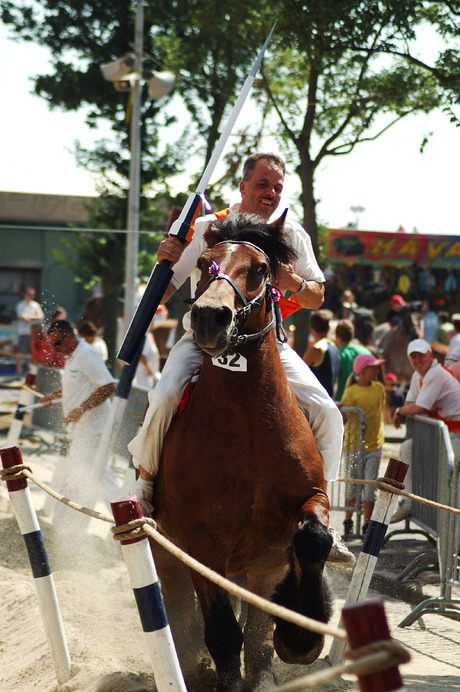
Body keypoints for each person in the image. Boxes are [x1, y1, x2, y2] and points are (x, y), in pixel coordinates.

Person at [128, 152, 351, 563]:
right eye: (263, 184)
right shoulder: (206, 228)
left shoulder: (291, 234)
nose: (270, 193)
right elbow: (169, 287)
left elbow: (317, 296)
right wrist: (162, 263)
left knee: (328, 413)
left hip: (267, 344)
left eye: (278, 188)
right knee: (162, 397)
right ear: (244, 185)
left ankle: (324, 518)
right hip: (203, 340)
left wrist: (293, 281)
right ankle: (144, 486)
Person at [40, 320, 118, 530]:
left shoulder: (86, 354)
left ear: (69, 337)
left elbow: (109, 386)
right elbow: (78, 386)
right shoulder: (72, 356)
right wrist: (53, 396)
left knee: (92, 476)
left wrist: (81, 409)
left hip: (94, 430)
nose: (55, 350)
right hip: (83, 430)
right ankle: (76, 527)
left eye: (57, 344)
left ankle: (124, 523)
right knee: (91, 477)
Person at [392, 338, 460, 522]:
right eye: (413, 357)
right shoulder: (419, 375)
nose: (417, 360)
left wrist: (399, 411)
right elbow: (411, 404)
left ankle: (451, 533)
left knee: (452, 481)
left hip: (455, 435)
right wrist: (415, 408)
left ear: (430, 355)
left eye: (420, 356)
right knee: (408, 447)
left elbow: (416, 407)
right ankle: (409, 501)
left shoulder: (435, 373)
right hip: (443, 434)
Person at [340, 353, 386, 535]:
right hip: (353, 446)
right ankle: (348, 521)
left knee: (369, 487)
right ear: (363, 371)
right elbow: (344, 417)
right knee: (352, 486)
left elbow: (380, 409)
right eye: (374, 367)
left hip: (374, 445)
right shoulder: (351, 392)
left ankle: (367, 524)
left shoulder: (379, 389)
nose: (377, 370)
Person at [302, 309, 340, 397]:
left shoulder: (316, 349)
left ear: (311, 328)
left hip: (315, 400)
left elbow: (299, 372)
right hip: (329, 399)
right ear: (328, 328)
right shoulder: (334, 346)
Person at [334, 319, 372, 402]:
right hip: (366, 402)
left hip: (342, 402)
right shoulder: (367, 353)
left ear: (336, 336)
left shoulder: (336, 354)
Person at [15, 287, 44, 356]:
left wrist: (29, 317)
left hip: (34, 333)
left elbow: (41, 317)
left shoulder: (36, 305)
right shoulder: (20, 305)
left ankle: (30, 366)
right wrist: (34, 317)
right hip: (24, 332)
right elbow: (23, 318)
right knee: (21, 353)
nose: (31, 296)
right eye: (29, 294)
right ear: (25, 294)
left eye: (32, 295)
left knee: (33, 353)